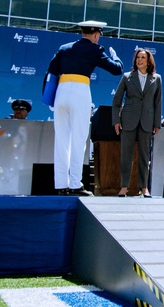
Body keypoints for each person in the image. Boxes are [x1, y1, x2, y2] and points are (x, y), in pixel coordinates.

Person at [44, 20, 123, 196]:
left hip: (61, 92)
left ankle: (60, 185)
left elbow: (51, 70)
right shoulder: (95, 49)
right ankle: (74, 184)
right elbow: (116, 69)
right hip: (79, 91)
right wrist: (115, 56)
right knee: (79, 139)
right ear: (96, 34)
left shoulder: (64, 48)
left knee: (62, 140)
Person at [112, 48, 162, 199]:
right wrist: (116, 120)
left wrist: (157, 123)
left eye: (142, 58)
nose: (139, 60)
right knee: (126, 155)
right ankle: (124, 187)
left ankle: (144, 188)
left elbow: (158, 103)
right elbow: (116, 101)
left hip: (147, 121)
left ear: (148, 61)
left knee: (144, 156)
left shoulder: (156, 78)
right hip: (128, 120)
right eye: (137, 57)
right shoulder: (127, 77)